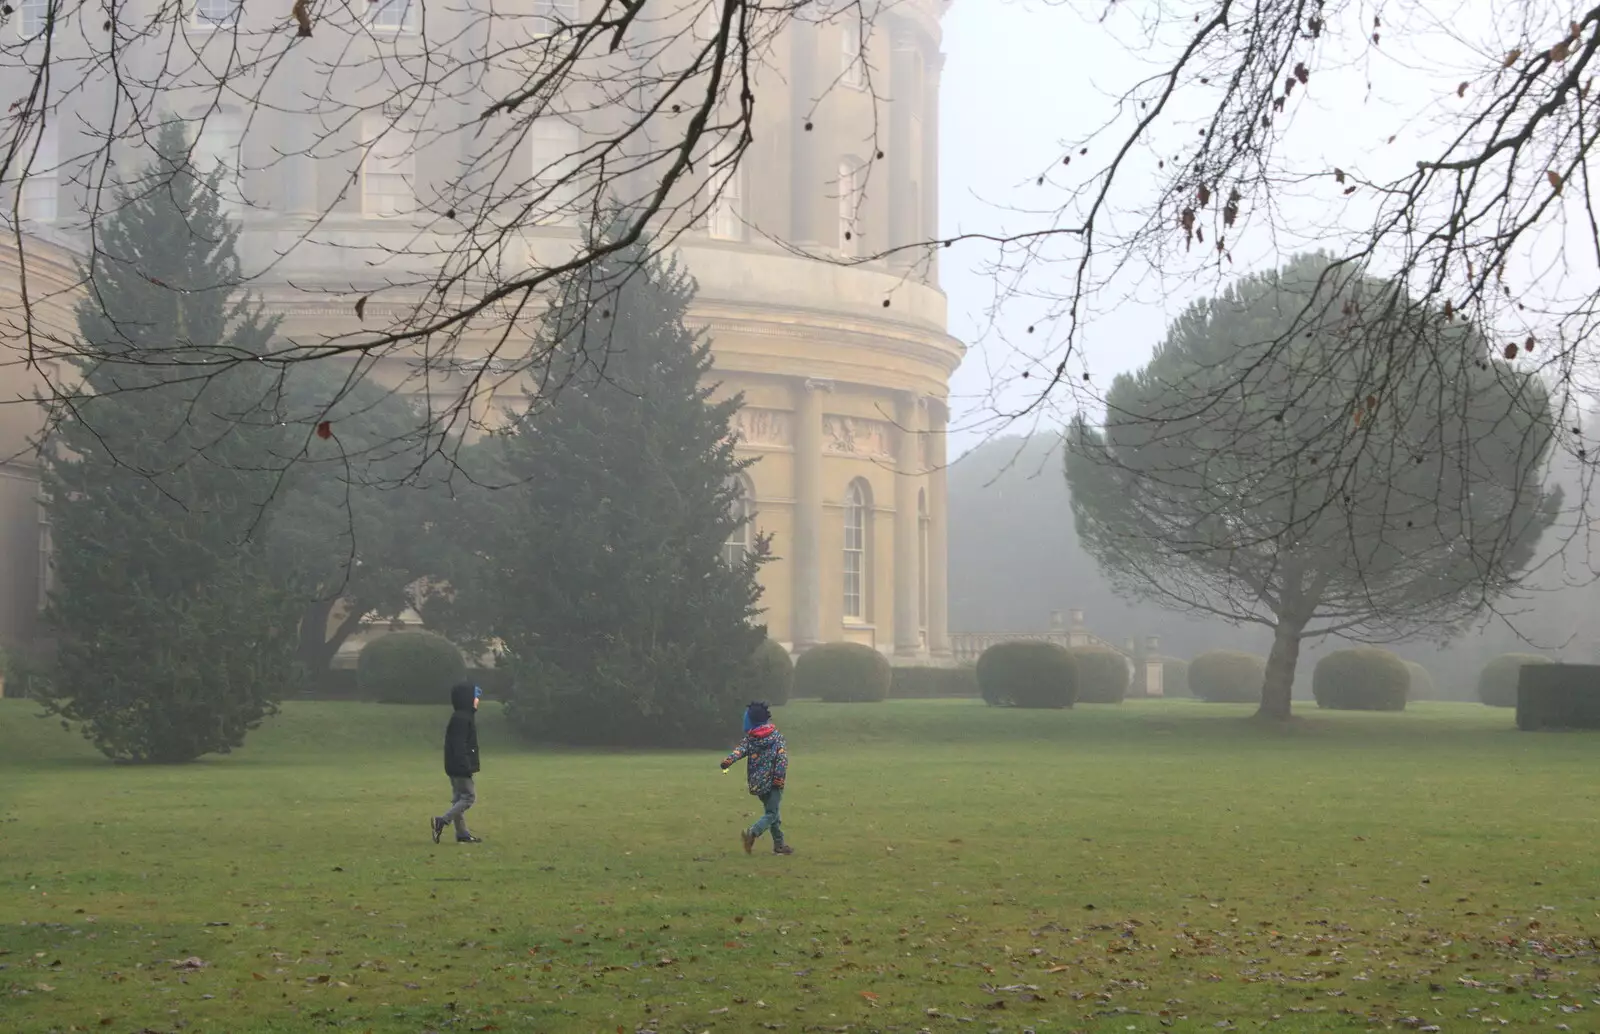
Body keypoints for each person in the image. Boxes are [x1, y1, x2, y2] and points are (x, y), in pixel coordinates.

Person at [719, 700, 793, 855]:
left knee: (772, 813)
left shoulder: (750, 739)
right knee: (772, 814)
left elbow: (739, 751)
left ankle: (779, 845)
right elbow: (782, 758)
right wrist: (779, 778)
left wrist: (728, 761)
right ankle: (752, 833)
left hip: (758, 784)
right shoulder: (776, 737)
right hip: (774, 782)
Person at [432, 683, 483, 844]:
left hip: (454, 765)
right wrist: (466, 766)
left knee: (458, 799)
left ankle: (462, 834)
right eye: (475, 698)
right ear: (468, 699)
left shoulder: (461, 716)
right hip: (459, 766)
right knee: (469, 797)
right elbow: (459, 745)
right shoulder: (462, 718)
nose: (477, 701)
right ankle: (443, 820)